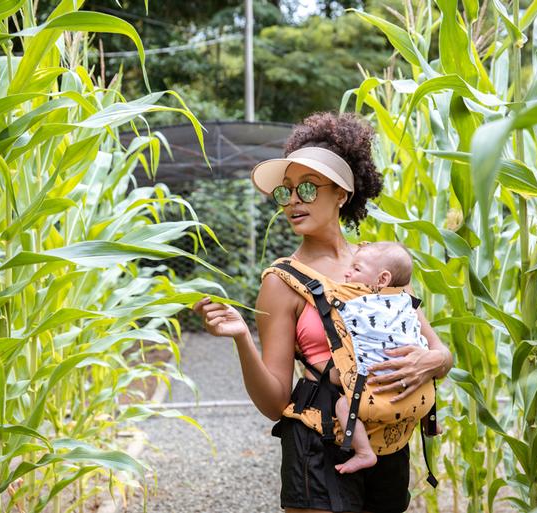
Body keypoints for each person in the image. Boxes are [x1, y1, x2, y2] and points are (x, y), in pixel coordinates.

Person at [194, 112, 453, 513]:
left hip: (389, 443)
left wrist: (432, 360)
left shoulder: (381, 263)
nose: (294, 201)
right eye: (286, 192)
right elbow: (273, 401)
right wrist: (243, 338)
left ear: (342, 194)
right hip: (319, 444)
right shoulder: (281, 281)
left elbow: (438, 352)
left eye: (308, 189)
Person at [334, 241, 427, 474]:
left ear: (382, 279)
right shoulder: (405, 302)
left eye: (356, 269)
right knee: (424, 389)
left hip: (376, 383)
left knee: (344, 406)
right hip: (412, 381)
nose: (347, 272)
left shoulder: (357, 304)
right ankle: (430, 421)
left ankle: (364, 452)